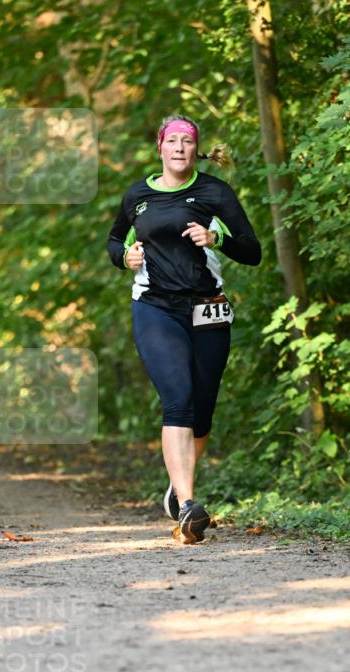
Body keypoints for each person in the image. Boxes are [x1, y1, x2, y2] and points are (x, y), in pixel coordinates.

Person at [107, 114, 261, 543]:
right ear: (159, 147)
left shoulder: (215, 192)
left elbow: (253, 251)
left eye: (187, 142)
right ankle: (190, 506)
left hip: (207, 309)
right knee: (178, 399)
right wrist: (125, 258)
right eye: (171, 141)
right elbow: (114, 240)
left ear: (196, 149)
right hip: (155, 308)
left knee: (203, 412)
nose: (179, 148)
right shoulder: (137, 195)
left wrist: (217, 241)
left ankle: (178, 485)